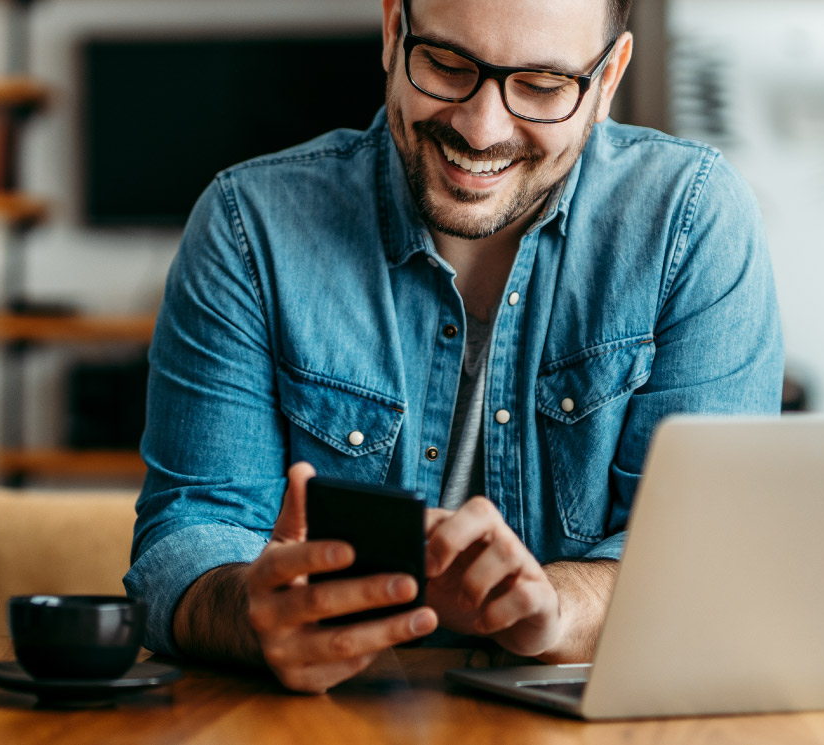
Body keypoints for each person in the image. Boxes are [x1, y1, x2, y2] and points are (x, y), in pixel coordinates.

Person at [123, 0, 783, 694]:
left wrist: (554, 609)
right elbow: (183, 543)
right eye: (445, 64)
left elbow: (707, 560)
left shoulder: (691, 223)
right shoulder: (247, 227)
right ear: (391, 30)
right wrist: (253, 613)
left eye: (542, 86)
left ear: (608, 76)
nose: (481, 127)